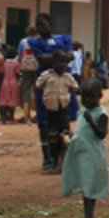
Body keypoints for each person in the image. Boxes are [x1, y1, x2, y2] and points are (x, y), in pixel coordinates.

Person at [23, 14, 77, 172]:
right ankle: (48, 158)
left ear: (50, 24)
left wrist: (55, 58)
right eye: (38, 25)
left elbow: (71, 55)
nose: (41, 28)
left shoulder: (63, 39)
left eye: (43, 24)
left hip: (62, 87)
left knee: (64, 124)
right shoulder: (34, 42)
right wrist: (61, 56)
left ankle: (63, 157)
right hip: (46, 89)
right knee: (44, 124)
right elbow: (41, 58)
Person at [62, 78, 109, 218]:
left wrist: (91, 122)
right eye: (84, 97)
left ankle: (90, 216)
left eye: (91, 97)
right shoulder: (82, 111)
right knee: (84, 183)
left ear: (100, 96)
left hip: (93, 154)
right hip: (81, 153)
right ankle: (86, 215)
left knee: (90, 184)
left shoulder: (101, 114)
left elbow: (102, 134)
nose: (87, 101)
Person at [35, 54, 79, 174]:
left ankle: (64, 161)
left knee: (65, 136)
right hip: (51, 111)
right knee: (52, 137)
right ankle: (54, 161)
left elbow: (75, 87)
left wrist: (66, 97)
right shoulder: (46, 76)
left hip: (63, 111)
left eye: (65, 63)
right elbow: (38, 85)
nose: (62, 65)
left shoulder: (68, 77)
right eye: (59, 62)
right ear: (53, 64)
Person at [0, 48, 23, 123]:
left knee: (4, 98)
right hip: (13, 81)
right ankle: (11, 117)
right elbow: (17, 73)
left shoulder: (4, 63)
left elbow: (1, 73)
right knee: (13, 98)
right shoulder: (16, 63)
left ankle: (4, 118)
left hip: (5, 81)